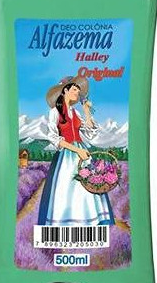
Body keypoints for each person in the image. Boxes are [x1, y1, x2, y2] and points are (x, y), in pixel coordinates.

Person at [37, 75, 115, 226]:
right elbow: (53, 137)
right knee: (67, 186)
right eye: (74, 89)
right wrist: (77, 151)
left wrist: (86, 111)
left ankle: (89, 221)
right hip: (67, 155)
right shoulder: (55, 112)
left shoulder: (76, 113)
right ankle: (66, 221)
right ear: (65, 91)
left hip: (82, 151)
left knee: (88, 183)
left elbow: (90, 133)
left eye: (78, 90)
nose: (77, 93)